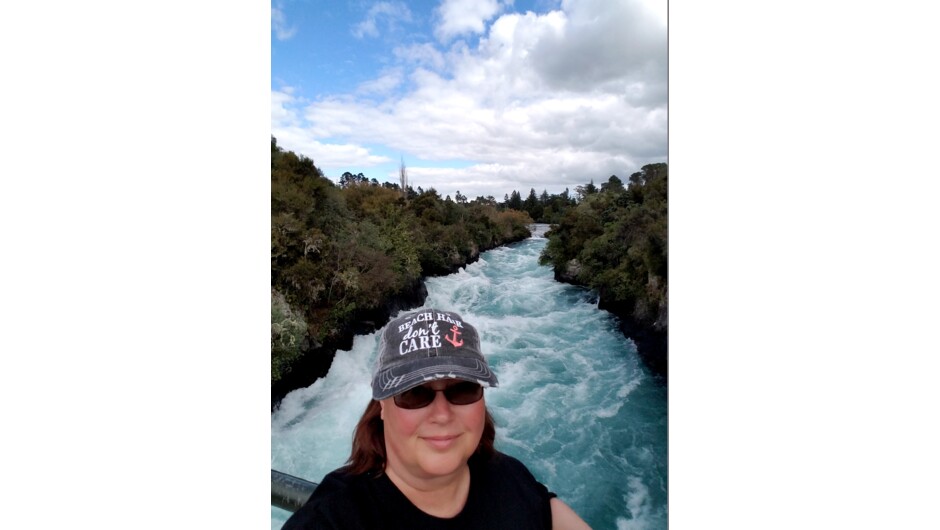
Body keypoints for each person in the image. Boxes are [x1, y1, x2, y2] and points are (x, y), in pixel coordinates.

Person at [282, 308, 591, 530]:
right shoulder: (336, 516)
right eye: (414, 393)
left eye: (463, 389)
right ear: (381, 407)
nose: (442, 414)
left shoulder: (509, 476)